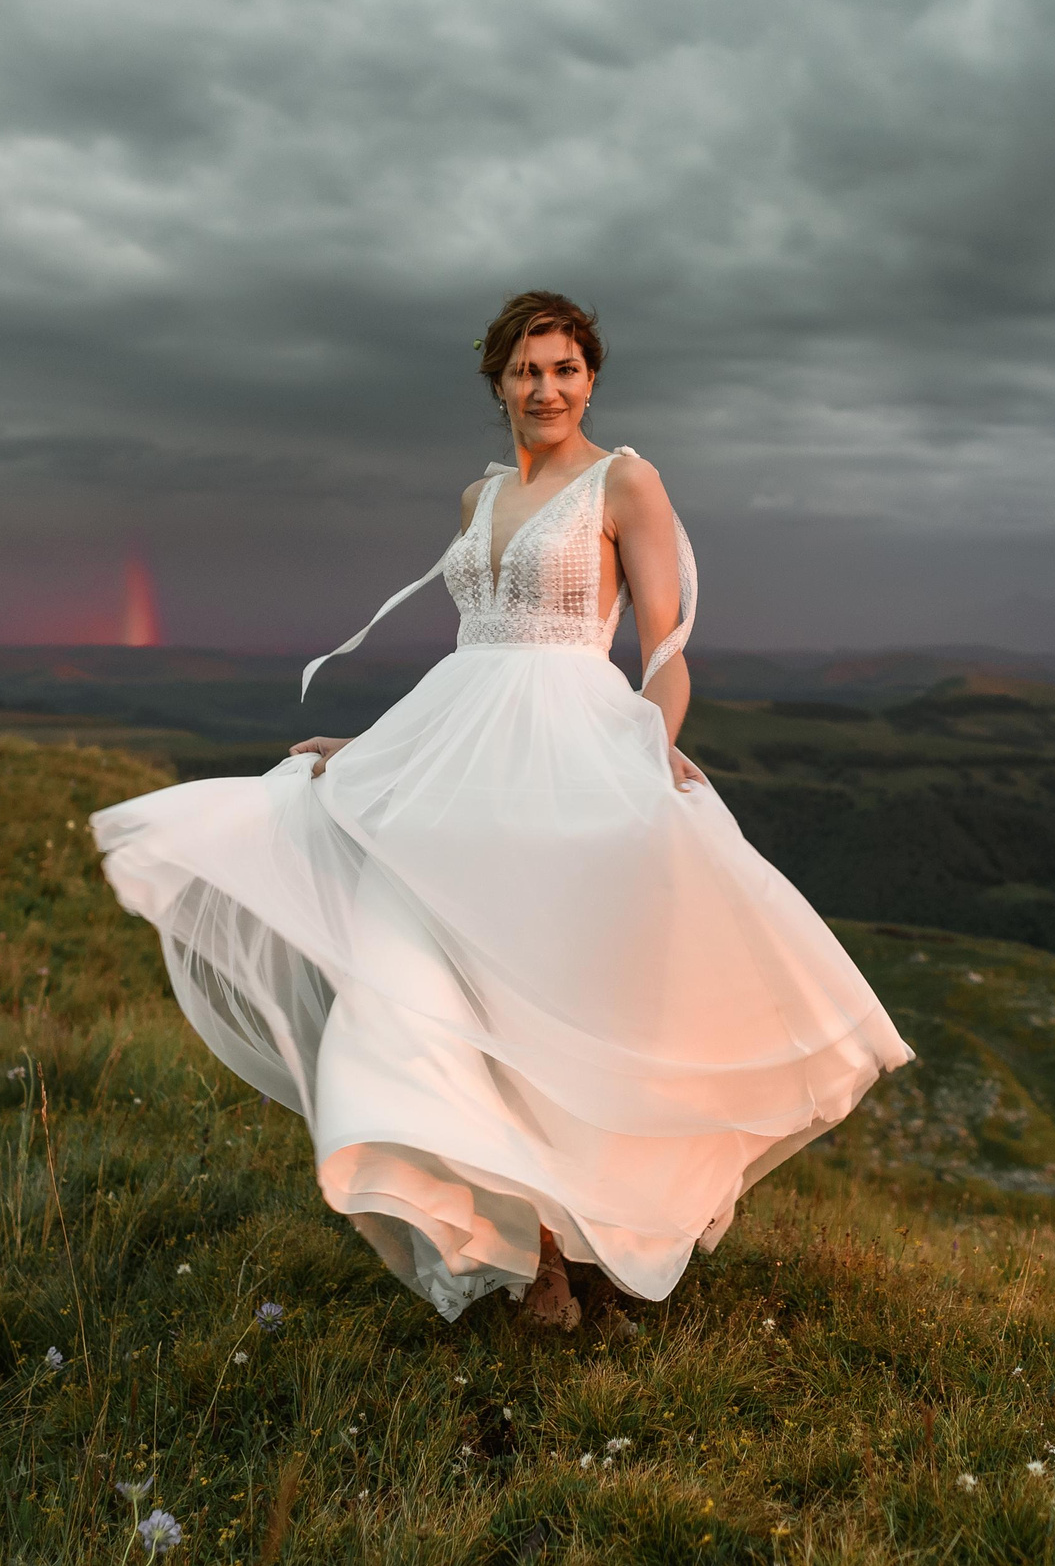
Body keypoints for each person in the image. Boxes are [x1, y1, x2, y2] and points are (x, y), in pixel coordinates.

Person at [92, 293, 911, 1326]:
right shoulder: (476, 495)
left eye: (565, 368)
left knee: (554, 1001)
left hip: (568, 752)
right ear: (498, 383)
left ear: (591, 378)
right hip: (463, 753)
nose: (546, 388)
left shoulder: (627, 482)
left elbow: (666, 651)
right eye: (527, 370)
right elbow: (471, 656)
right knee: (429, 990)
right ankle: (532, 1254)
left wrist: (646, 752)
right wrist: (371, 752)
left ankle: (582, 1238)